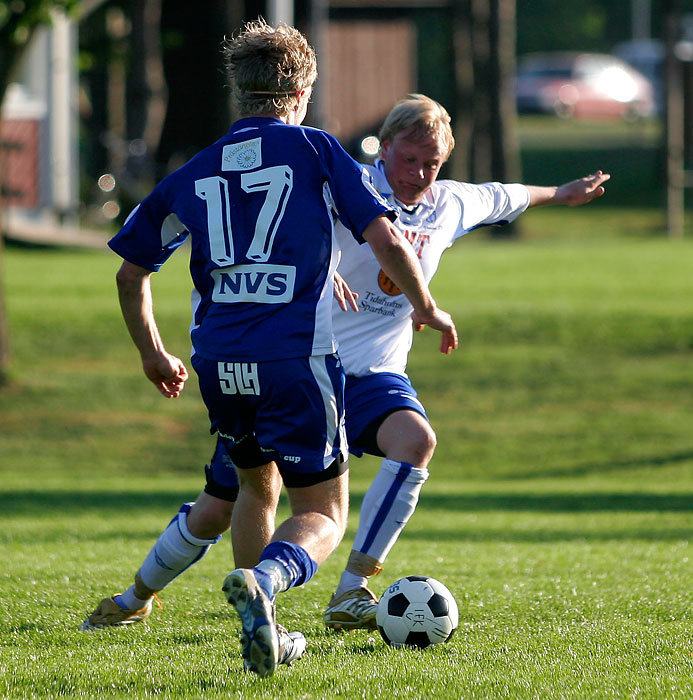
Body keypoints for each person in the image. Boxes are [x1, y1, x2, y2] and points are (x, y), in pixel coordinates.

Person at [82, 91, 607, 643]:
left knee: (415, 442)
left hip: (371, 376)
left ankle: (351, 590)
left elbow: (509, 195)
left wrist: (563, 194)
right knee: (222, 504)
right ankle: (134, 598)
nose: (419, 173)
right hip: (305, 364)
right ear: (386, 148)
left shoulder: (449, 204)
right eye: (409, 159)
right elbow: (286, 226)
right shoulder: (344, 181)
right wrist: (321, 266)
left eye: (432, 163)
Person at [80, 24, 456, 678]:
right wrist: (426, 305)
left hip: (217, 361)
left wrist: (151, 353)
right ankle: (269, 583)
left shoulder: (193, 171)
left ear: (238, 90)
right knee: (321, 511)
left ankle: (265, 632)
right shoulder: (315, 150)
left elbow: (128, 272)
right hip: (296, 357)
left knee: (257, 485)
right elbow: (385, 236)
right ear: (302, 91)